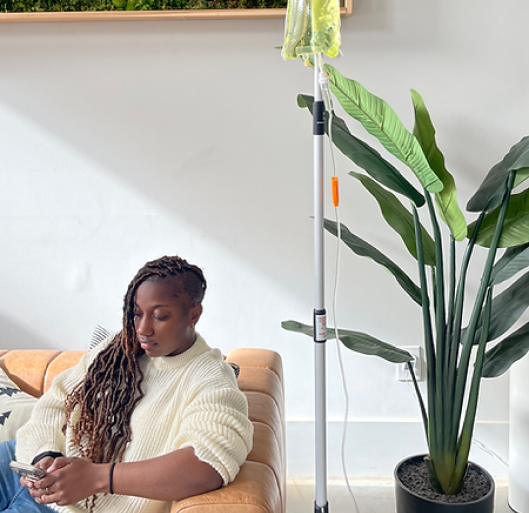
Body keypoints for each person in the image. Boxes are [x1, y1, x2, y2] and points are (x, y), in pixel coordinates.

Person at [0, 255, 254, 513]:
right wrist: (45, 456)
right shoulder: (117, 349)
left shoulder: (210, 378)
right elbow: (57, 400)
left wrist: (97, 478)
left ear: (194, 315)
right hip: (24, 466)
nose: (143, 329)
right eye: (137, 314)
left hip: (75, 506)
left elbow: (206, 464)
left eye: (160, 316)